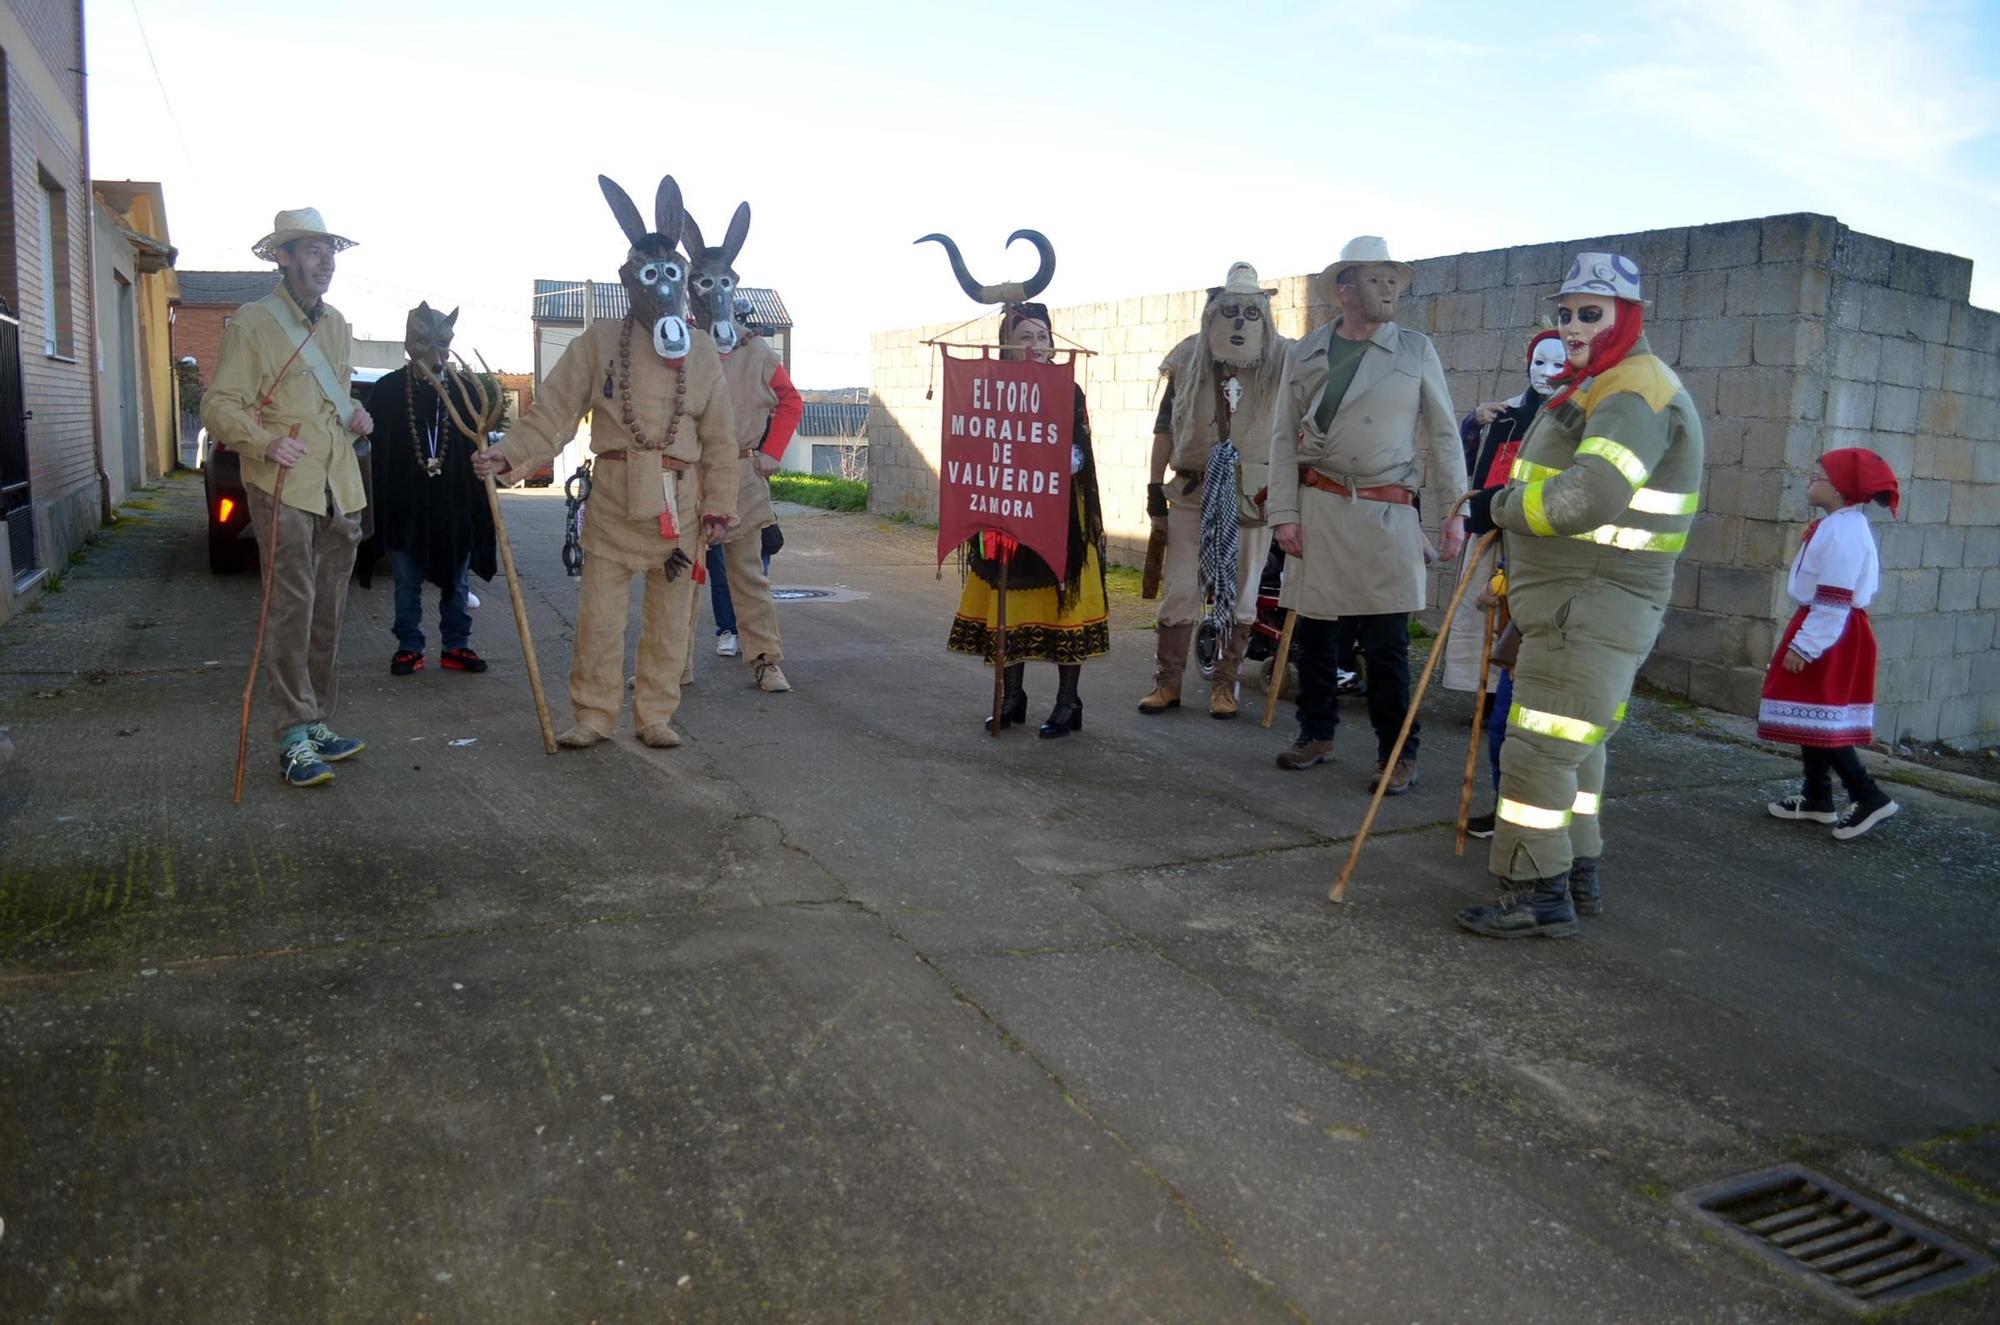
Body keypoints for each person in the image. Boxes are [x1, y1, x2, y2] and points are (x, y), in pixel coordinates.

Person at [1456, 254, 1704, 938]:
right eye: (1562, 312)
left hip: (1589, 605)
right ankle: (1577, 872)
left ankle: (1536, 890)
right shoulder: (1603, 382)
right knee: (1575, 752)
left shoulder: (1632, 391)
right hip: (1580, 605)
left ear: (1626, 316)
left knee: (1538, 751)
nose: (1570, 326)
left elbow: (1586, 496)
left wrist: (1502, 506)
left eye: (1588, 313)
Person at [472, 173, 738, 750]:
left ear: (685, 280)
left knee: (671, 623)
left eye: (673, 274)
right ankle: (594, 714)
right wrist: (507, 455)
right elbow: (554, 413)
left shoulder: (705, 355)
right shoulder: (597, 342)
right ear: (629, 281)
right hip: (615, 499)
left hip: (681, 507)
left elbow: (720, 440)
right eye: (651, 275)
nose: (663, 286)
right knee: (598, 621)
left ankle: (655, 713)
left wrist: (719, 506)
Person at [1266, 236, 1468, 792]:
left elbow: (1445, 435)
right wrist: (1285, 512)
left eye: (1393, 281)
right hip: (1319, 505)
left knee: (1386, 644)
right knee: (1315, 635)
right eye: (1376, 280)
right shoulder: (1304, 352)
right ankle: (1317, 733)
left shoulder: (1415, 349)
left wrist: (1455, 513)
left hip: (1387, 511)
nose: (1389, 290)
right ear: (1344, 289)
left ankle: (1397, 752)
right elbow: (1283, 437)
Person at [203, 207, 373, 788]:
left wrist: (356, 417)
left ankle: (317, 718)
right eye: (312, 250)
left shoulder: (338, 325)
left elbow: (332, 402)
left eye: (331, 250)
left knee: (328, 611)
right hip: (284, 487)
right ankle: (292, 736)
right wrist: (265, 441)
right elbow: (219, 405)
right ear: (284, 257)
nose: (326, 261)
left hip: (339, 488)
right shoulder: (252, 324)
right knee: (290, 609)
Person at [946, 302, 1109, 737]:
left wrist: (1041, 460)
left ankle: (1068, 702)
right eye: (1026, 337)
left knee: (1063, 605)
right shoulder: (989, 389)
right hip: (1006, 514)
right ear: (1007, 344)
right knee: (1008, 602)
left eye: (1043, 337)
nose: (1037, 345)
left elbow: (1079, 455)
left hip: (1059, 515)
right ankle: (1011, 697)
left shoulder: (1068, 390)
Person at [1139, 262, 1292, 720]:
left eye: (1250, 311)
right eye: (1231, 311)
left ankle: (1224, 686)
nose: (1240, 322)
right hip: (1191, 490)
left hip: (1251, 496)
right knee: (1181, 589)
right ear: (1214, 312)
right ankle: (1166, 684)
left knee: (1243, 594)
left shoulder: (1285, 359)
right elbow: (1167, 425)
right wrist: (1153, 488)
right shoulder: (1189, 357)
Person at [683, 207, 803, 692]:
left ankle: (765, 659)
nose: (716, 293)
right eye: (704, 283)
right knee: (679, 578)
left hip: (742, 478)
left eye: (723, 283)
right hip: (689, 477)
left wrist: (772, 451)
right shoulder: (681, 347)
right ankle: (669, 667)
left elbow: (791, 401)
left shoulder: (757, 353)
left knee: (748, 577)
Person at [1759, 448, 1902, 840]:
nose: (1809, 480)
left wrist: (1805, 646)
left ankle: (1867, 794)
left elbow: (1834, 601)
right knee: (1809, 712)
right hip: (1822, 623)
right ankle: (1817, 796)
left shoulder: (1843, 532)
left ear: (1838, 490)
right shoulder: (1837, 526)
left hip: (1831, 630)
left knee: (1824, 714)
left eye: (1816, 475)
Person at [364, 302, 497, 677]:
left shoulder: (465, 390)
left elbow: (478, 444)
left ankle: (457, 645)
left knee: (457, 578)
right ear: (410, 342)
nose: (433, 353)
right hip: (407, 504)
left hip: (453, 504)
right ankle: (409, 646)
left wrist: (486, 469)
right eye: (424, 341)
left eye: (443, 342)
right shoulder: (389, 390)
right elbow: (373, 451)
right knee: (406, 579)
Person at [1442, 330, 1565, 698]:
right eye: (1539, 362)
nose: (1545, 372)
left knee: (1531, 615)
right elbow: (1463, 457)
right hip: (1492, 527)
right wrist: (1475, 422)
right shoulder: (1505, 412)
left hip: (1542, 534)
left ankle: (1526, 693)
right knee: (1481, 609)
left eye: (1558, 364)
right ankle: (1484, 690)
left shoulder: (1577, 415)